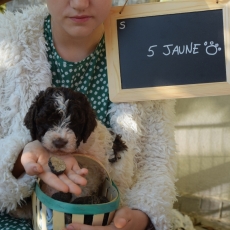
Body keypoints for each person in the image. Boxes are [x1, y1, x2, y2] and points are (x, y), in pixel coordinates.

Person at [0, 0, 177, 230]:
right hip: (16, 219)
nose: (80, 3)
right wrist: (18, 161)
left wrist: (140, 218)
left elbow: (157, 161)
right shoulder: (6, 44)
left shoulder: (148, 50)